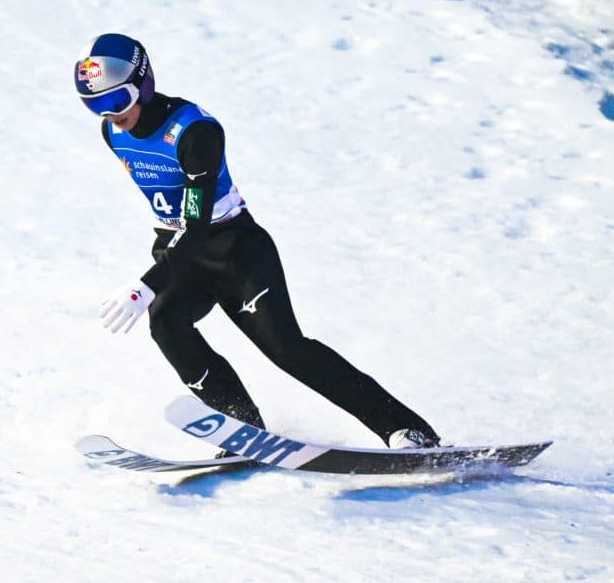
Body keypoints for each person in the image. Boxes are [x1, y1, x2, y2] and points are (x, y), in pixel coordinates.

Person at [74, 33, 440, 449]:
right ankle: (243, 428)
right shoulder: (113, 133)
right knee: (168, 325)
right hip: (179, 253)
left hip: (233, 249)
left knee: (288, 350)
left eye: (116, 102)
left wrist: (145, 285)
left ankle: (406, 429)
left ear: (143, 85)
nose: (110, 115)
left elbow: (196, 225)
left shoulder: (196, 132)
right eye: (94, 106)